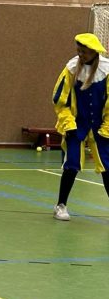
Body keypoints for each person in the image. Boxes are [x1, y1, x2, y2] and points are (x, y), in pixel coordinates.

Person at [52, 33, 109, 221]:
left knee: (107, 166)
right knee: (72, 165)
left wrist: (107, 127)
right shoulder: (70, 69)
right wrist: (69, 124)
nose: (80, 54)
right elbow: (60, 100)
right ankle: (60, 206)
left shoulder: (106, 70)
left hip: (100, 128)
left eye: (83, 51)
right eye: (78, 50)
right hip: (76, 126)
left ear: (93, 52)